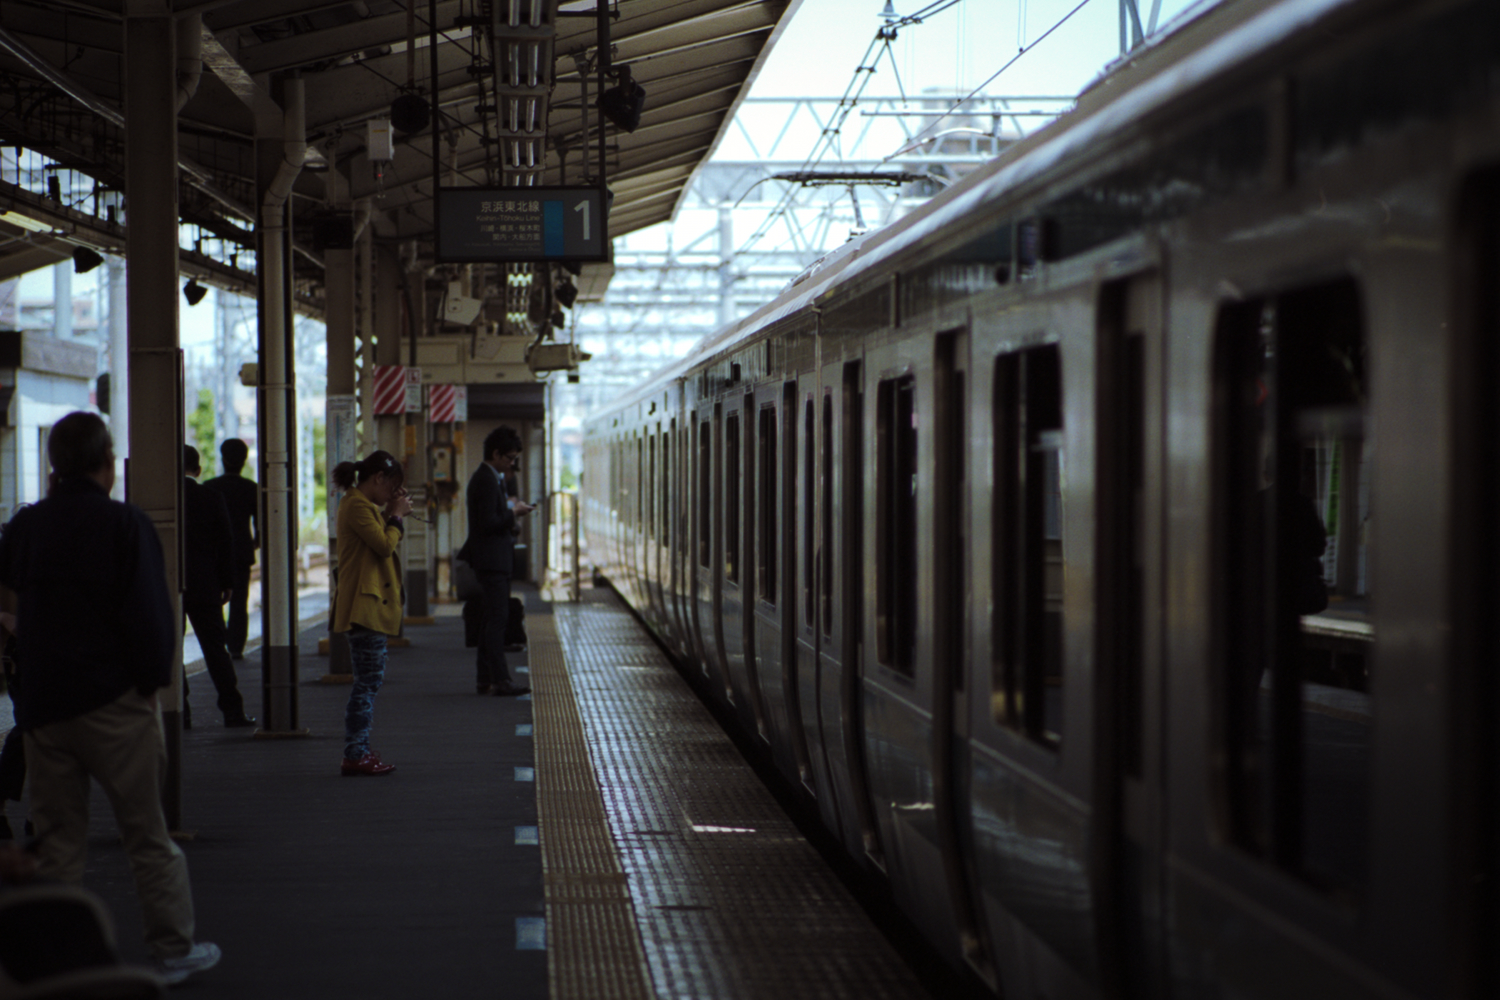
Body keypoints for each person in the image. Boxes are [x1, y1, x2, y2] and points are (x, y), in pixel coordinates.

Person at [0, 411, 220, 984]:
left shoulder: (26, 527)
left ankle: (57, 960)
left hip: (44, 708)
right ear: (107, 464)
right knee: (146, 834)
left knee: (57, 844)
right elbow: (151, 618)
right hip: (113, 704)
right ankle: (172, 949)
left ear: (53, 467)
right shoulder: (125, 524)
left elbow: (11, 592)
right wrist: (148, 689)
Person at [330, 451, 412, 776]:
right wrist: (396, 516)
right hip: (364, 607)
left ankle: (358, 750)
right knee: (366, 683)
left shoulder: (361, 505)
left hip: (369, 605)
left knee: (368, 681)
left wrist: (392, 513)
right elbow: (384, 545)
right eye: (391, 486)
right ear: (378, 478)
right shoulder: (357, 506)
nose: (392, 493)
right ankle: (355, 753)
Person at [459, 426, 535, 697]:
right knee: (497, 620)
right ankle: (501, 680)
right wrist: (514, 513)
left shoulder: (490, 478)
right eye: (510, 458)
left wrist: (511, 514)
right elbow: (488, 522)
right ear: (496, 454)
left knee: (490, 619)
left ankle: (485, 678)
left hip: (493, 559)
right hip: (492, 560)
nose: (512, 463)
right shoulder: (486, 480)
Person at [183, 446, 255, 728]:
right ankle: (232, 710)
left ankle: (181, 710)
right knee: (215, 649)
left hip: (169, 584)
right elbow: (225, 542)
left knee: (171, 648)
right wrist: (227, 582)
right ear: (198, 470)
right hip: (205, 584)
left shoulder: (162, 498)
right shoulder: (210, 496)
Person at [203, 438, 258, 660]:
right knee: (239, 602)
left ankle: (217, 646)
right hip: (241, 553)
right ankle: (236, 648)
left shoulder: (209, 487)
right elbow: (260, 526)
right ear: (244, 461)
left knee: (214, 601)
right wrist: (254, 543)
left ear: (222, 459)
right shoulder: (251, 488)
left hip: (213, 554)